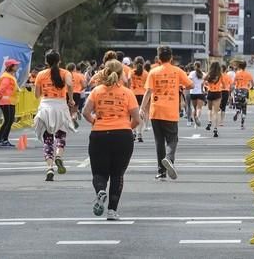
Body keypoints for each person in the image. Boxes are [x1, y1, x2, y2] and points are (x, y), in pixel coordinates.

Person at [82, 59, 140, 221]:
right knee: (117, 174)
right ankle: (112, 211)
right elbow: (137, 117)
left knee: (99, 173)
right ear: (121, 73)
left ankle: (100, 190)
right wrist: (128, 126)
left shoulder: (97, 91)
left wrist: (95, 121)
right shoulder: (127, 93)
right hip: (122, 134)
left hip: (99, 134)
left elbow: (85, 112)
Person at [140, 46, 192, 180]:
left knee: (159, 141)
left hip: (156, 110)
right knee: (172, 139)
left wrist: (141, 108)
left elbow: (148, 91)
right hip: (170, 110)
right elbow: (190, 85)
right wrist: (180, 85)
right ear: (171, 57)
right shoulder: (177, 71)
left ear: (158, 58)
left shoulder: (153, 72)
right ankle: (169, 159)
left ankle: (161, 171)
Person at [33, 50, 74, 181]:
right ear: (59, 60)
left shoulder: (40, 74)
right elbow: (70, 84)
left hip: (46, 106)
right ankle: (59, 156)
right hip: (60, 106)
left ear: (46, 61)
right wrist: (71, 98)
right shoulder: (65, 73)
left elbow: (37, 95)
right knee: (61, 135)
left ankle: (49, 168)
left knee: (47, 139)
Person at [0, 58, 21, 147]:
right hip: (6, 101)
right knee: (8, 121)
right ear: (11, 66)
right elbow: (2, 88)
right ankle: (1, 139)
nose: (17, 66)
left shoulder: (10, 76)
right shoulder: (6, 77)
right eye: (15, 65)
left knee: (9, 121)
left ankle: (4, 139)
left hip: (10, 101)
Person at [131, 56, 149, 142]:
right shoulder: (146, 73)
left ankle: (133, 131)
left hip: (132, 94)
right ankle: (139, 133)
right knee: (141, 114)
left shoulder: (131, 72)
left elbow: (127, 82)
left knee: (132, 114)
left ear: (134, 63)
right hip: (143, 94)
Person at [204, 62, 224, 137]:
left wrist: (207, 84)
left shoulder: (209, 74)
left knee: (209, 109)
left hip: (210, 92)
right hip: (218, 93)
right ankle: (215, 128)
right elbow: (224, 84)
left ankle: (209, 121)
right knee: (216, 112)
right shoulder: (220, 74)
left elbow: (204, 80)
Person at [232, 61, 254, 129]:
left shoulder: (237, 74)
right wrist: (249, 88)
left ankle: (238, 111)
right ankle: (242, 124)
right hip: (245, 91)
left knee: (238, 105)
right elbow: (253, 84)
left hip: (238, 90)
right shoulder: (248, 74)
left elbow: (233, 83)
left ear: (239, 66)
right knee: (244, 108)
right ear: (245, 66)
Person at [188, 61, 206, 127]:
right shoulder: (203, 74)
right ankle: (197, 117)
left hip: (193, 92)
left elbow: (188, 81)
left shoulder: (192, 73)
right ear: (200, 66)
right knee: (199, 108)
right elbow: (205, 82)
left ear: (194, 66)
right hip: (201, 92)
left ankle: (195, 123)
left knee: (194, 108)